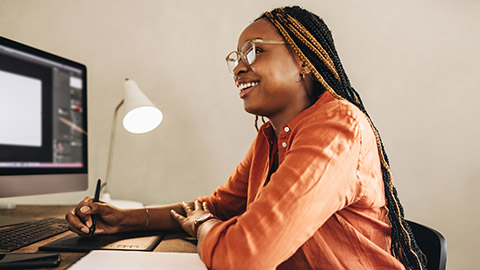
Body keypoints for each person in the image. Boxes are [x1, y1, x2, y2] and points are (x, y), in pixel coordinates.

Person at [66, 6, 426, 270]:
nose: (239, 67)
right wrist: (125, 219)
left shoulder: (336, 128)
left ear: (303, 60)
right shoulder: (270, 136)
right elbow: (220, 206)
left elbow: (243, 257)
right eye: (236, 57)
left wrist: (204, 227)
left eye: (255, 50)